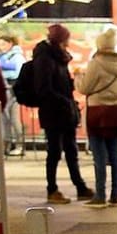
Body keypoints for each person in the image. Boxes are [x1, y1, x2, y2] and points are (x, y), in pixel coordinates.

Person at [27, 24, 93, 204]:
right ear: (61, 39)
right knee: (55, 151)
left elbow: (61, 83)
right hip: (53, 111)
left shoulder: (58, 56)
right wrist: (63, 100)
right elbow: (44, 88)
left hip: (64, 110)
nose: (68, 42)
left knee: (71, 149)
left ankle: (80, 186)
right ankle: (52, 189)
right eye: (66, 38)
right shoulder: (46, 58)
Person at [77, 28, 117, 206]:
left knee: (99, 155)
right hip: (115, 110)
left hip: (97, 111)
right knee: (115, 154)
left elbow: (85, 88)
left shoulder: (96, 63)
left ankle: (100, 195)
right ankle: (115, 196)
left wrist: (78, 77)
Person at [0, 33, 26, 155]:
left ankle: (19, 145)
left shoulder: (17, 56)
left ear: (10, 44)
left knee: (14, 118)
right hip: (2, 90)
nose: (0, 46)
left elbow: (18, 72)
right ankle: (6, 144)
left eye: (3, 44)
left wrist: (2, 70)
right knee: (4, 118)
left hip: (13, 90)